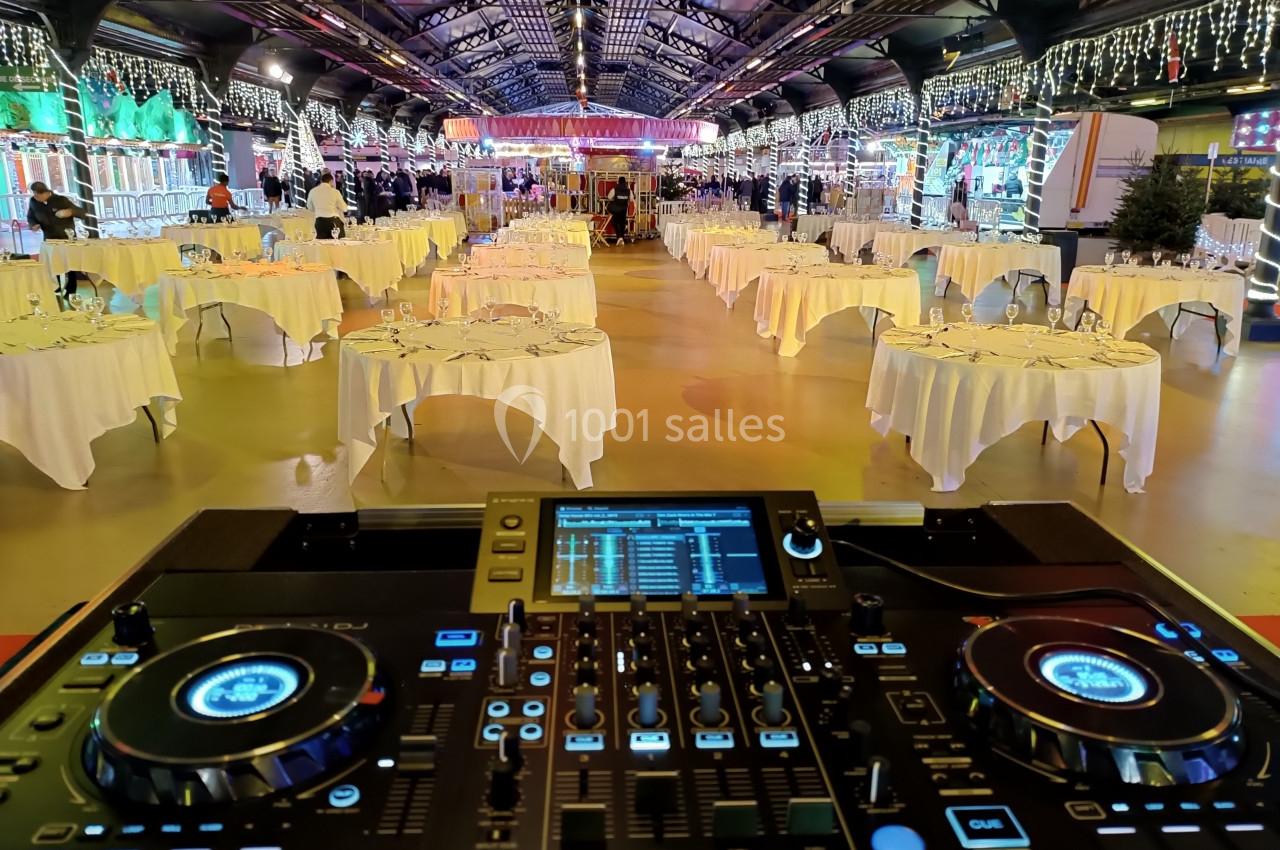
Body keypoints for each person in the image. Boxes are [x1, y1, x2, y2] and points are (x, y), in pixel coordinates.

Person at [26, 181, 86, 296]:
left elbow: (81, 212)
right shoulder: (33, 202)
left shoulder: (61, 200)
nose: (36, 197)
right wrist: (33, 224)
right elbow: (30, 216)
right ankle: (56, 286)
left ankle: (71, 290)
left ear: (46, 192)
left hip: (66, 237)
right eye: (34, 195)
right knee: (52, 263)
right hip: (49, 238)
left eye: (38, 195)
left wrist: (70, 212)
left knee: (70, 264)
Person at [307, 171, 347, 239]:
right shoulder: (335, 192)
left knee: (321, 243)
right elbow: (344, 208)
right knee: (338, 243)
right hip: (333, 221)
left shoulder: (312, 191)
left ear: (321, 181)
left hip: (319, 221)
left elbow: (309, 207)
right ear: (331, 181)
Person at [606, 176, 631, 247]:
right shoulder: (628, 190)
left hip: (616, 210)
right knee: (622, 224)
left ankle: (619, 238)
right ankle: (621, 238)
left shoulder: (614, 189)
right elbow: (631, 199)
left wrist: (614, 199)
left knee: (615, 222)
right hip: (624, 210)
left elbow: (609, 197)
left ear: (618, 182)